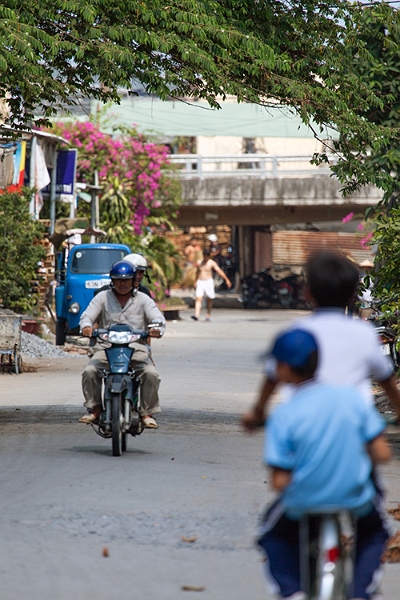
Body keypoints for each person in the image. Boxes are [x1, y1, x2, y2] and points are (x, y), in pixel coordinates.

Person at [257, 328, 391, 600]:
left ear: (282, 368)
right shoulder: (351, 399)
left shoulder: (285, 414)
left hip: (303, 500)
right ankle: (361, 591)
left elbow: (279, 481)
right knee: (376, 533)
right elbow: (383, 454)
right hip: (355, 497)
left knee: (271, 536)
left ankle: (292, 590)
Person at [242, 251, 400, 431]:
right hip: (352, 422)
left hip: (305, 422)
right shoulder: (364, 333)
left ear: (307, 293)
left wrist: (258, 411)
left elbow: (272, 377)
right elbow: (385, 378)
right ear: (354, 296)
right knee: (375, 451)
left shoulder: (297, 331)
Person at [78, 260, 165, 429]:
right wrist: (87, 327)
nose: (122, 283)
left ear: (134, 281)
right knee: (90, 371)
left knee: (150, 373)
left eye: (126, 280)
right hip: (106, 347)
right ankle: (95, 408)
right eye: (118, 280)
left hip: (136, 348)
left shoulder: (143, 299)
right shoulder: (102, 297)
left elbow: (157, 318)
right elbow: (86, 316)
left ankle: (146, 412)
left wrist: (155, 328)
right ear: (112, 281)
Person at [191, 249, 232, 321]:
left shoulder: (211, 263)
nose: (205, 258)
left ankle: (208, 314)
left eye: (206, 256)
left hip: (208, 281)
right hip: (201, 281)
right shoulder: (200, 262)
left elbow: (219, 271)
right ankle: (196, 315)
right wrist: (195, 281)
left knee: (209, 298)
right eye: (204, 256)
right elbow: (197, 272)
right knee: (198, 298)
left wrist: (226, 279)